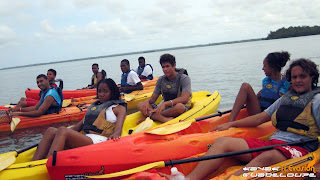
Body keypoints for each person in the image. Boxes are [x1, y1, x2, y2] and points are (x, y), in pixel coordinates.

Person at [160, 58, 319, 180]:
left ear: (312, 77)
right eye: (295, 77)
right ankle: (188, 178)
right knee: (222, 142)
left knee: (267, 156)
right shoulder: (286, 98)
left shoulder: (317, 100)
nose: (297, 80)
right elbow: (260, 118)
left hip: (301, 147)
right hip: (274, 143)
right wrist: (231, 124)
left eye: (302, 76)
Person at [32, 78, 127, 161]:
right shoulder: (95, 107)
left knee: (62, 131)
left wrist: (115, 135)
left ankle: (47, 163)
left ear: (112, 92)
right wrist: (57, 134)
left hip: (100, 140)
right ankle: (33, 163)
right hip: (86, 138)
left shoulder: (119, 108)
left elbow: (118, 129)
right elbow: (77, 127)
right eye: (99, 91)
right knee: (50, 131)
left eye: (105, 91)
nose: (101, 94)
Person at [227, 51, 291, 122]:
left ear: (272, 68)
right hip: (259, 112)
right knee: (245, 86)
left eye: (265, 66)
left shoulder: (287, 83)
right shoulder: (265, 81)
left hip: (271, 115)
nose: (262, 69)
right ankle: (230, 121)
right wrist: (255, 97)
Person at [137, 53, 192, 123]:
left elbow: (185, 98)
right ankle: (161, 118)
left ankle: (152, 116)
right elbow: (152, 99)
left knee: (179, 107)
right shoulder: (161, 80)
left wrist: (165, 104)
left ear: (174, 66)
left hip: (178, 106)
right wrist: (146, 102)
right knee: (140, 104)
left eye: (167, 66)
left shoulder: (184, 78)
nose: (165, 69)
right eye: (163, 67)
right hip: (165, 108)